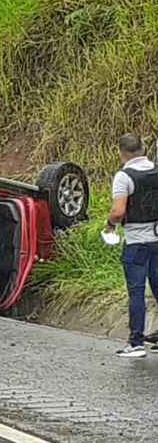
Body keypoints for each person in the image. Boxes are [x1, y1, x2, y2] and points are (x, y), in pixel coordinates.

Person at [104, 133, 158, 357]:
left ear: (121, 153)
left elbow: (118, 211)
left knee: (136, 292)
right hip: (157, 240)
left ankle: (136, 343)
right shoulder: (156, 171)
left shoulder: (124, 177)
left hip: (136, 242)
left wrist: (109, 225)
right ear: (143, 149)